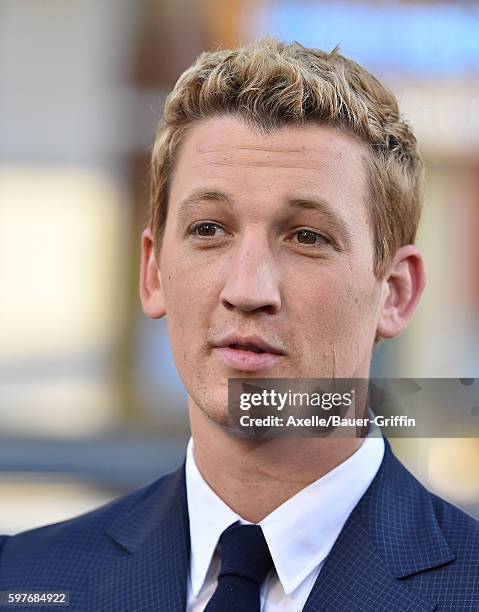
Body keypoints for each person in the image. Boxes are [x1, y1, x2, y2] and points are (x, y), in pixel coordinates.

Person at [0, 38, 478, 611]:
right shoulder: (23, 581)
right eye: (208, 229)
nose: (247, 290)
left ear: (395, 294)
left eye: (307, 237)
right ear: (152, 272)